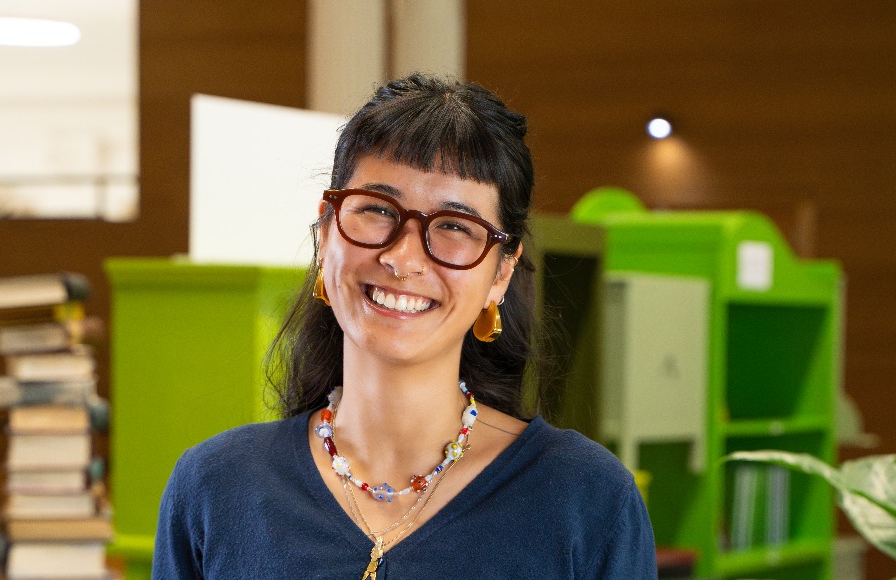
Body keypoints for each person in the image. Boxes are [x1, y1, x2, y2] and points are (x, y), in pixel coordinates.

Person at [153, 73, 657, 579]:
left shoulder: (587, 499)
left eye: (456, 226)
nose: (403, 257)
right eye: (376, 209)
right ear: (326, 232)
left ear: (500, 273)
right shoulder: (215, 486)